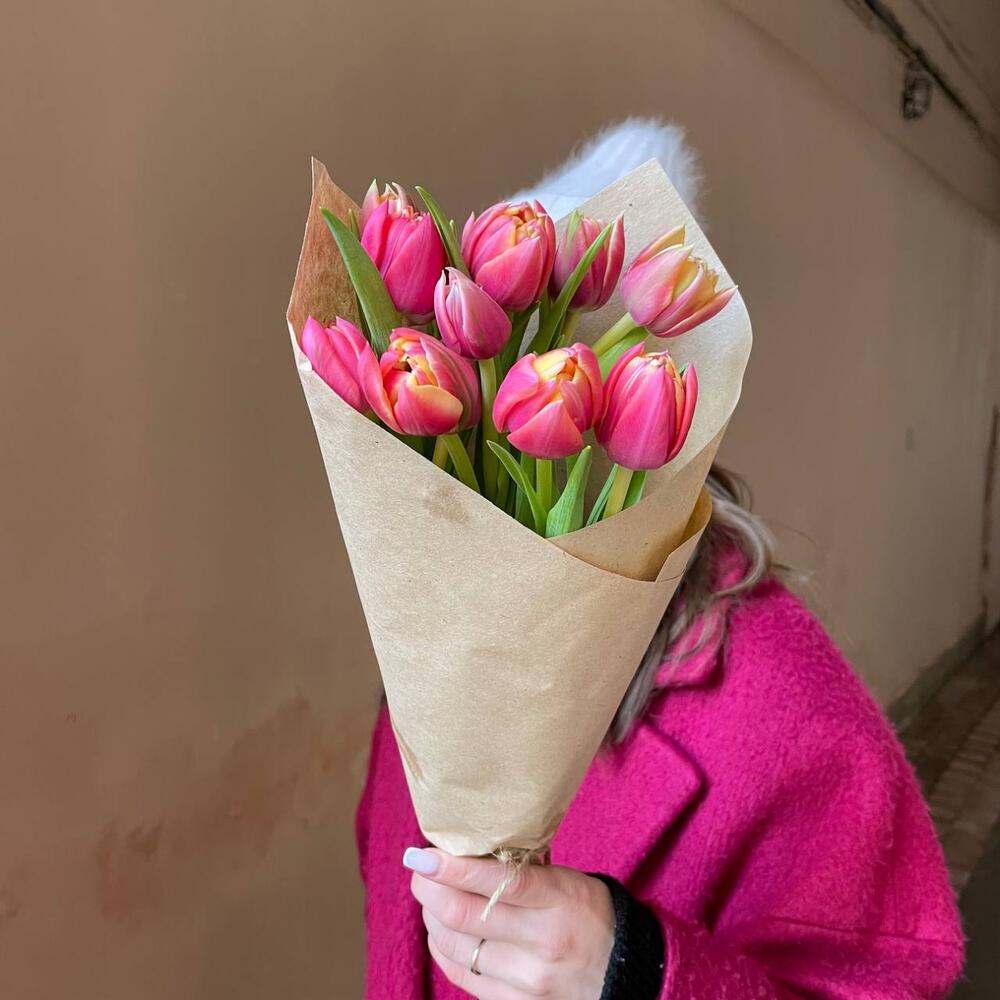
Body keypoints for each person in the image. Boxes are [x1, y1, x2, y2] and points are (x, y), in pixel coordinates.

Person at [354, 126, 965, 999]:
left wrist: (631, 967)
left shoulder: (788, 706)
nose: (487, 471)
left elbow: (886, 981)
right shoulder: (434, 631)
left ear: (670, 416)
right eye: (468, 409)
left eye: (562, 383)